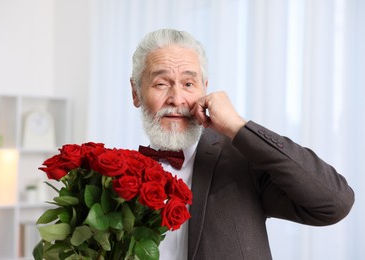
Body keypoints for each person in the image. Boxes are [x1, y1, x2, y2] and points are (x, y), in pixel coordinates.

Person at [129, 29, 354, 260]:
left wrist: (237, 126)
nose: (177, 99)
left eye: (188, 84)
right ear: (136, 92)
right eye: (161, 84)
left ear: (205, 88)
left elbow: (335, 203)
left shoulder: (244, 159)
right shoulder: (114, 176)